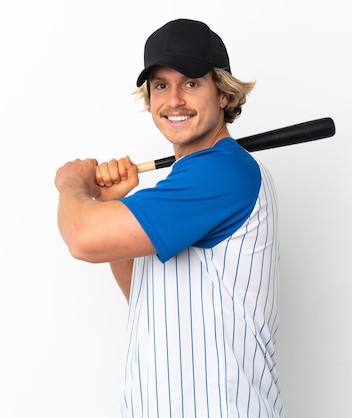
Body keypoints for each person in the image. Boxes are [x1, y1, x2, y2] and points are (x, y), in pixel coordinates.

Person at [55, 18, 285, 417]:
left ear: (224, 94)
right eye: (161, 85)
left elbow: (82, 238)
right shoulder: (184, 186)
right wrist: (108, 203)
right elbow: (145, 299)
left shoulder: (221, 173)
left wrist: (71, 185)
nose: (174, 99)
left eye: (191, 82)